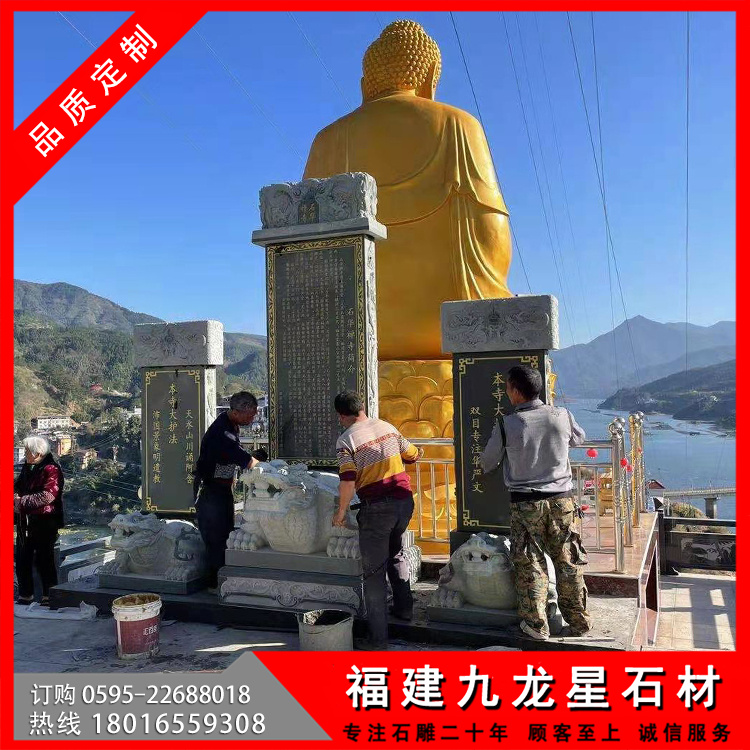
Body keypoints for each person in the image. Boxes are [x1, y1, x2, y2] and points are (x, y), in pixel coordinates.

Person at [304, 20, 512, 360]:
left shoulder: (327, 141)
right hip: (451, 336)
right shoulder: (459, 125)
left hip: (350, 344)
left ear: (365, 85)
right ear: (429, 78)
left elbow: (305, 259)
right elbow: (491, 234)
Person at [480, 365, 591, 640]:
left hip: (526, 503)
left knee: (530, 564)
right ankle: (579, 622)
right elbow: (579, 439)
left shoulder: (507, 424)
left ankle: (536, 625)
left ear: (516, 391)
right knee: (568, 562)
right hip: (562, 501)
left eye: (508, 387)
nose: (507, 392)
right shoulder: (562, 415)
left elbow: (487, 462)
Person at [332, 390, 423, 650]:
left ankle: (378, 640)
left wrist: (341, 512)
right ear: (362, 407)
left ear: (341, 416)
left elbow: (348, 481)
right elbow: (413, 454)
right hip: (404, 503)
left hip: (377, 509)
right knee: (396, 553)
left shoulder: (346, 440)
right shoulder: (387, 427)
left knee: (373, 573)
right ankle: (405, 609)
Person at [194, 391, 260, 591]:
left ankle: (223, 581)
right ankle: (217, 585)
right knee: (217, 540)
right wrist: (268, 469)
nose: (253, 419)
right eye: (250, 415)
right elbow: (246, 461)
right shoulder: (223, 433)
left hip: (222, 490)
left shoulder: (230, 424)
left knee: (226, 535)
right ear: (238, 412)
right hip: (211, 493)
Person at [14, 436, 65, 606]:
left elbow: (48, 496)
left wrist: (21, 502)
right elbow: (17, 486)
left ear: (38, 453)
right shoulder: (28, 467)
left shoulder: (52, 469)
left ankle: (48, 597)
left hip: (45, 522)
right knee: (22, 559)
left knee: (45, 560)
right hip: (25, 522)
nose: (25, 454)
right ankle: (25, 596)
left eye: (27, 451)